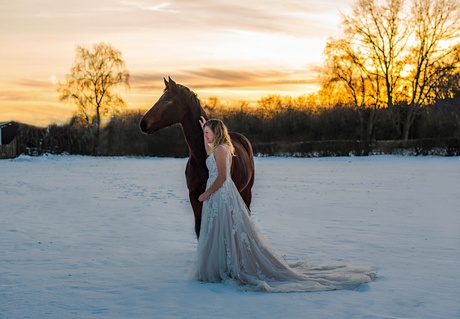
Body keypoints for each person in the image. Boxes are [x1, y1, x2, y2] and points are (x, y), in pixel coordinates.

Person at [189, 116, 376, 292]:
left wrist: (206, 193)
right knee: (220, 229)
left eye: (208, 133)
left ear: (218, 132)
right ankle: (223, 264)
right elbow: (209, 155)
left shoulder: (222, 150)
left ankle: (231, 266)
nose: (205, 136)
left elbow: (222, 177)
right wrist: (204, 131)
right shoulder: (218, 147)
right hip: (218, 195)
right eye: (204, 133)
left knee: (227, 229)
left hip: (221, 194)